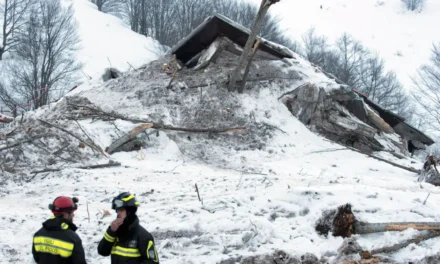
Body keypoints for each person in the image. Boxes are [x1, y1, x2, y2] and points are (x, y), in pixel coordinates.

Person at [98, 192, 159, 263]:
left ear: (130, 211)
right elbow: (102, 251)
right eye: (117, 210)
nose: (118, 213)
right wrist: (111, 231)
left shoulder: (143, 236)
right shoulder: (116, 233)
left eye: (121, 210)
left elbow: (153, 262)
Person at [32, 196, 87, 264]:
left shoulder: (38, 234)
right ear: (65, 215)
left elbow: (37, 258)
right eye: (72, 213)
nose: (73, 215)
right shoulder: (73, 239)